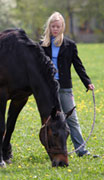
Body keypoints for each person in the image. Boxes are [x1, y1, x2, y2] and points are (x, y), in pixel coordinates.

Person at [40, 12, 95, 157]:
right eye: (53, 26)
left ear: (62, 27)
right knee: (50, 122)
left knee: (72, 119)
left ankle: (81, 151)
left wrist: (87, 82)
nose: (55, 29)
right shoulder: (42, 45)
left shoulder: (70, 45)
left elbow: (78, 65)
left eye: (58, 26)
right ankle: (52, 151)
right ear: (49, 27)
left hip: (65, 87)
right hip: (49, 89)